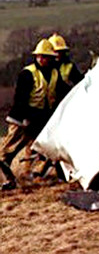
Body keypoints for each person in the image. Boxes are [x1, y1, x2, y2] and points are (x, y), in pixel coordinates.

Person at [0, 40, 60, 189]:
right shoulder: (28, 73)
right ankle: (5, 177)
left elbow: (60, 93)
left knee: (45, 148)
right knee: (9, 150)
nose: (41, 59)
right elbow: (20, 98)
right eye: (39, 56)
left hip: (40, 119)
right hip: (21, 119)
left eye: (45, 56)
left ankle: (35, 174)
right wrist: (25, 118)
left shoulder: (54, 73)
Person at [48, 33, 83, 98]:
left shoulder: (69, 66)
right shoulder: (45, 67)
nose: (57, 54)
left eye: (60, 51)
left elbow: (80, 82)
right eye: (55, 51)